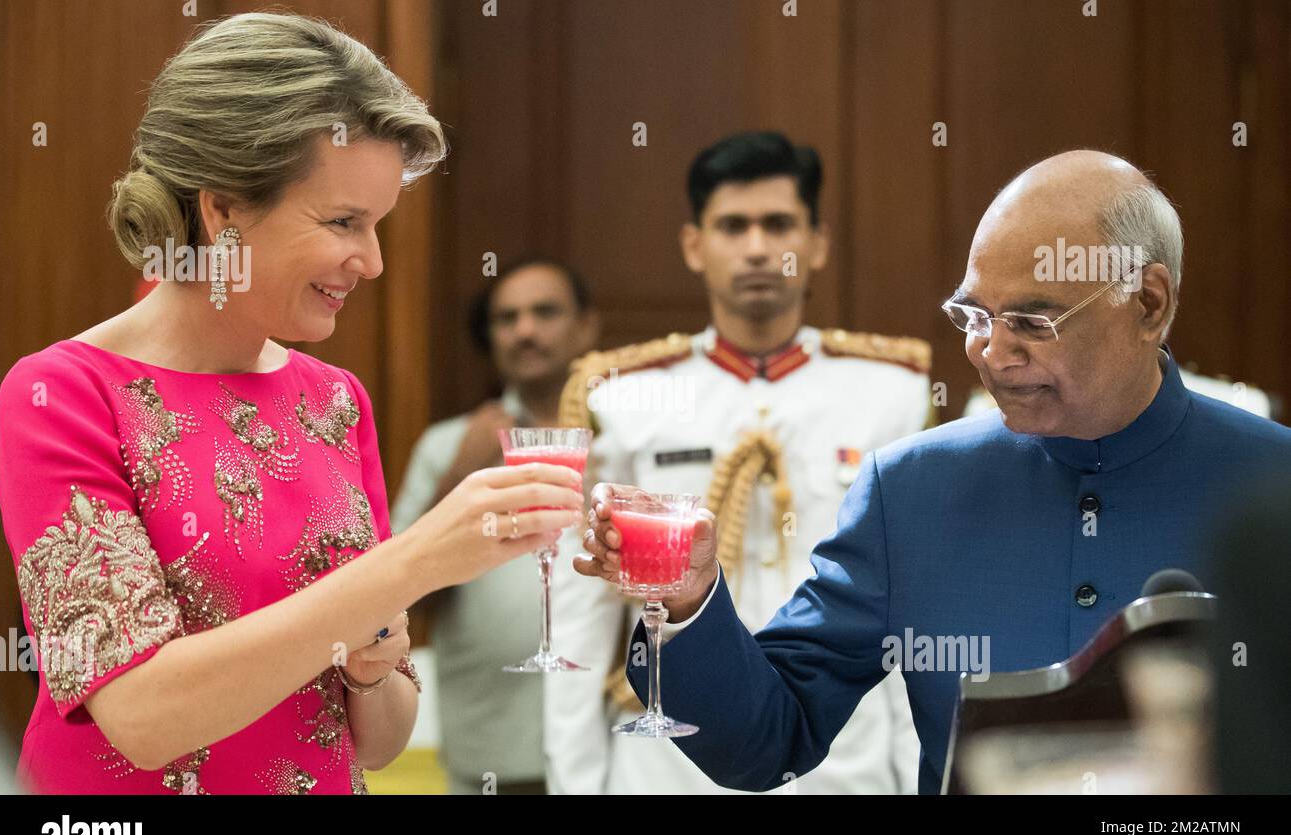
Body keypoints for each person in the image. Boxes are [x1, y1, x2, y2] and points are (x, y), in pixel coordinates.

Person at [574, 150, 1291, 794]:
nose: (988, 353)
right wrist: (693, 601)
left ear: (1148, 302)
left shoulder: (1273, 488)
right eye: (975, 315)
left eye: (1031, 323)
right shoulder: (914, 489)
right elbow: (769, 741)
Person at [0, 12, 581, 795]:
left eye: (376, 226)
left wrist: (374, 671)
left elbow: (381, 737)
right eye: (344, 221)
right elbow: (141, 717)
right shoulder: (61, 394)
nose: (370, 261)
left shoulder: (337, 400)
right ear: (224, 209)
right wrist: (414, 561)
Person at [546, 132, 929, 794]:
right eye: (732, 225)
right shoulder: (620, 395)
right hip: (667, 762)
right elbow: (579, 612)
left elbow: (911, 614)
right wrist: (577, 783)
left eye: (778, 224)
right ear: (695, 245)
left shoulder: (893, 394)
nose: (756, 247)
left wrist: (915, 771)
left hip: (844, 756)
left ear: (817, 242)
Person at [391, 258, 599, 794]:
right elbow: (393, 600)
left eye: (545, 312)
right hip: (493, 756)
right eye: (507, 318)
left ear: (586, 327)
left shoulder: (627, 441)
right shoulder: (449, 447)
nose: (524, 330)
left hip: (613, 744)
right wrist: (461, 476)